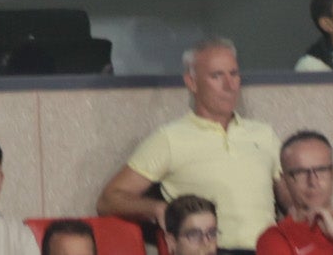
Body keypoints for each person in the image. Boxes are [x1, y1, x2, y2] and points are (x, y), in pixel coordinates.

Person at [103, 42, 281, 246]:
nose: (230, 85)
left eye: (234, 74)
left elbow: (293, 195)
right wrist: (158, 208)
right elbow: (109, 199)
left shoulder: (263, 134)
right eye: (217, 76)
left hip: (269, 249)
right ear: (192, 82)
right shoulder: (170, 138)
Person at [261, 138, 333, 255]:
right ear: (285, 180)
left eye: (321, 170)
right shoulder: (274, 238)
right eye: (300, 172)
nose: (313, 181)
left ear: (332, 174)